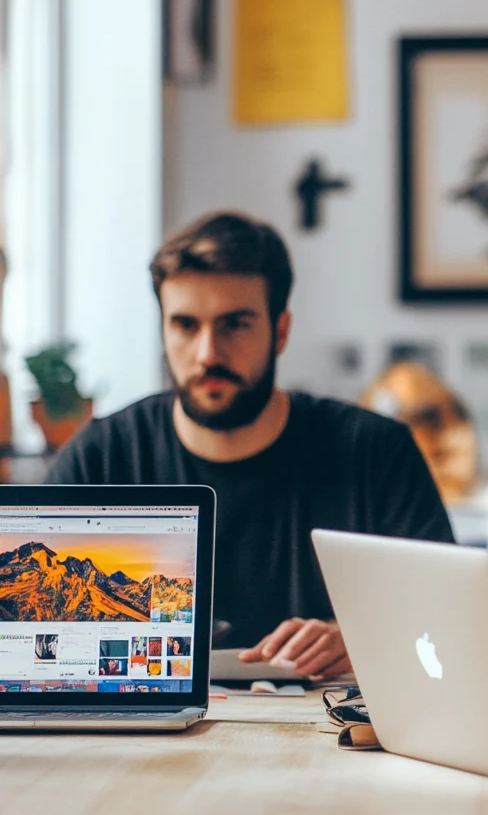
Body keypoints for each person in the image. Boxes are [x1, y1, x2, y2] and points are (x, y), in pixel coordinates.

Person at [47, 212, 454, 680]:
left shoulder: (376, 453)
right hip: (146, 732)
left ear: (280, 331)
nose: (207, 354)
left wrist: (365, 636)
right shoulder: (102, 457)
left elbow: (448, 621)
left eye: (234, 325)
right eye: (184, 325)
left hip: (328, 736)